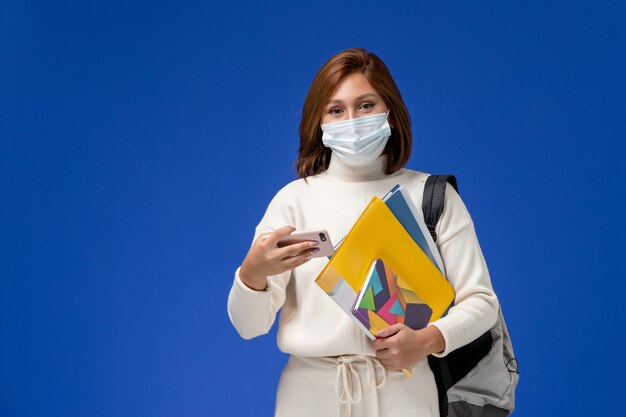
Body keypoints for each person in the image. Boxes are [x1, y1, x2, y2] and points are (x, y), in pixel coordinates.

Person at [227, 48, 499, 417]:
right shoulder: (294, 201)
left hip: (407, 394)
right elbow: (248, 327)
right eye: (336, 110)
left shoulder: (431, 197)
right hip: (307, 399)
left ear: (390, 111)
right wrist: (252, 274)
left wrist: (428, 339)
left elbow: (482, 302)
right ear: (318, 122)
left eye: (366, 105)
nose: (351, 120)